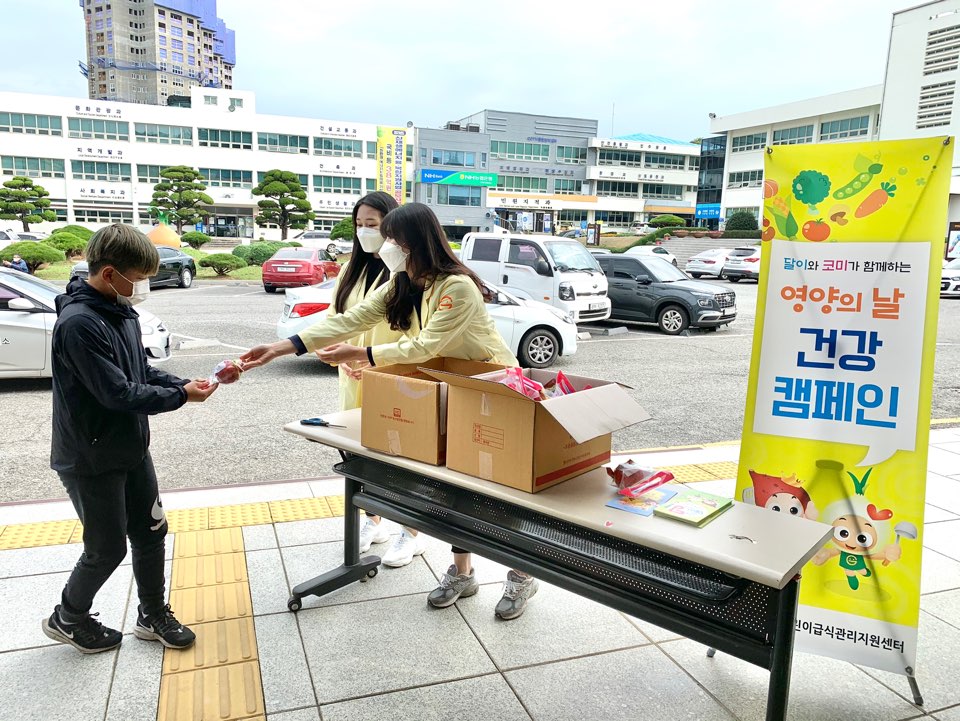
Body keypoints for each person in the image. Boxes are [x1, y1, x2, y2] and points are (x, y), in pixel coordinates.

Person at [241, 203, 540, 620]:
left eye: (393, 240)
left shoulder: (458, 287)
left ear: (417, 242)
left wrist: (362, 354)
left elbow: (425, 347)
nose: (386, 247)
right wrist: (281, 347)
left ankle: (522, 575)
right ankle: (462, 572)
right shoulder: (402, 282)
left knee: (500, 490)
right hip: (449, 390)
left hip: (494, 392)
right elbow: (351, 318)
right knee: (455, 489)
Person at [42, 224, 217, 654]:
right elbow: (116, 393)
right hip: (90, 456)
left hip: (131, 447)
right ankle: (68, 617)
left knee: (151, 530)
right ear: (107, 273)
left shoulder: (120, 312)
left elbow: (139, 372)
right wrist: (180, 396)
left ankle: (152, 614)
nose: (142, 287)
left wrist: (180, 382)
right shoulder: (79, 323)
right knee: (105, 549)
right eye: (138, 278)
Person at [328, 191, 425, 568]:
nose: (366, 232)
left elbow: (420, 337)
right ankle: (374, 520)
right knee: (358, 454)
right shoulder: (350, 270)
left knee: (401, 458)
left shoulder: (406, 274)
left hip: (394, 379)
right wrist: (338, 349)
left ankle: (410, 532)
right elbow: (339, 319)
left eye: (374, 225)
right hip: (352, 379)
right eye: (360, 225)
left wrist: (376, 363)